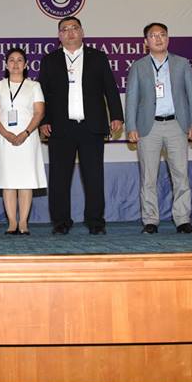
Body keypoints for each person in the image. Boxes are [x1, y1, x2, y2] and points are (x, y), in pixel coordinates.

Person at [38, 16, 123, 235]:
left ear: (82, 32)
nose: (70, 32)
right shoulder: (50, 60)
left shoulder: (98, 57)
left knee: (94, 177)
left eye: (74, 28)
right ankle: (61, 222)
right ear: (59, 36)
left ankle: (95, 222)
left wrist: (116, 115)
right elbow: (42, 94)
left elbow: (110, 88)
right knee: (59, 178)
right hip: (60, 128)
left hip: (91, 127)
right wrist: (44, 120)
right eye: (65, 29)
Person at [125, 22, 192, 235]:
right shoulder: (138, 66)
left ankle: (183, 220)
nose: (158, 39)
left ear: (168, 38)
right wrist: (131, 126)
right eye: (153, 35)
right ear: (145, 42)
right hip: (148, 127)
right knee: (148, 177)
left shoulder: (182, 63)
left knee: (181, 175)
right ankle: (150, 220)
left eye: (162, 34)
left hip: (177, 125)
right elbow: (131, 99)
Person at [0, 48, 46, 235]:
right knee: (8, 180)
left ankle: (23, 223)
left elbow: (39, 113)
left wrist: (25, 133)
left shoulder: (34, 86)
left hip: (28, 138)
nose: (15, 64)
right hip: (5, 138)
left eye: (20, 60)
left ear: (26, 64)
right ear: (6, 65)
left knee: (26, 181)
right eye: (11, 60)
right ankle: (12, 223)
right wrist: (6, 134)